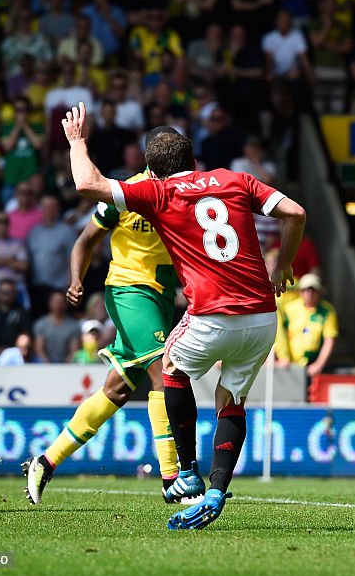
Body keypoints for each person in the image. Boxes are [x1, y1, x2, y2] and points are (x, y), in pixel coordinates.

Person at [58, 103, 305, 530]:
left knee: (169, 367)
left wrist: (78, 141)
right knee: (231, 401)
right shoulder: (235, 178)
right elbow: (296, 213)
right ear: (194, 160)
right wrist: (283, 265)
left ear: (153, 172)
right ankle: (216, 490)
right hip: (263, 317)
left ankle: (186, 471)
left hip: (213, 313)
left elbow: (87, 183)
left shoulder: (158, 192)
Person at [23, 127, 184, 505]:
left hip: (161, 297)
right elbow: (84, 242)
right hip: (129, 290)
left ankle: (45, 461)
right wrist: (76, 280)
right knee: (165, 370)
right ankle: (172, 482)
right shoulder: (127, 192)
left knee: (118, 388)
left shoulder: (184, 191)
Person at [274, 273, 338, 376]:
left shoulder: (327, 311)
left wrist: (319, 364)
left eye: (313, 290)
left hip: (312, 367)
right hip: (290, 367)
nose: (309, 293)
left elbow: (329, 340)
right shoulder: (290, 308)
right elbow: (279, 334)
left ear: (320, 292)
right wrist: (279, 357)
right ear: (300, 292)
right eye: (305, 290)